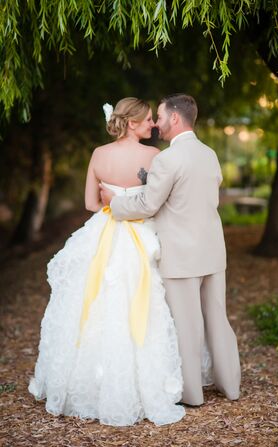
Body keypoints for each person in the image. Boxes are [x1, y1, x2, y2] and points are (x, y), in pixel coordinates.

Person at [28, 97, 186, 426]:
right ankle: (141, 386)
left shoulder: (99, 155)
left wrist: (113, 200)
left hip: (104, 232)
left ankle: (88, 383)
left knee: (95, 304)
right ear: (131, 123)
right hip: (140, 233)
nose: (152, 126)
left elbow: (90, 203)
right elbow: (156, 204)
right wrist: (132, 200)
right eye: (146, 121)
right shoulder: (154, 156)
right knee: (140, 304)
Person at [100, 93, 241, 406]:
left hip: (181, 256)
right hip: (213, 252)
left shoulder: (167, 159)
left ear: (175, 118)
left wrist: (115, 203)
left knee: (188, 326)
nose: (157, 125)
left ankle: (192, 395)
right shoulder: (209, 154)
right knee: (218, 318)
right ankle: (231, 386)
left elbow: (149, 204)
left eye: (160, 117)